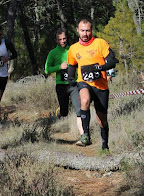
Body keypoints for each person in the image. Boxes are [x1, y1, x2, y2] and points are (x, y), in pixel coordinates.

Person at [67, 16, 118, 150]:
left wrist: (98, 68)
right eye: (82, 30)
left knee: (102, 120)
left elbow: (113, 61)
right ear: (78, 30)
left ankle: (105, 146)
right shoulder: (73, 48)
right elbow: (71, 65)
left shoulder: (100, 43)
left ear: (91, 30)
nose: (85, 34)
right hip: (84, 82)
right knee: (85, 100)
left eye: (88, 30)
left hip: (101, 86)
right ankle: (86, 135)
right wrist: (70, 78)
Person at [45, 29, 84, 136]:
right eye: (60, 39)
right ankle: (60, 114)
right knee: (64, 112)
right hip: (61, 85)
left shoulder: (72, 50)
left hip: (73, 85)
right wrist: (59, 67)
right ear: (56, 40)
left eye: (64, 38)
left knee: (79, 109)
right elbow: (47, 69)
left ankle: (83, 134)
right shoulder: (53, 53)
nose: (63, 41)